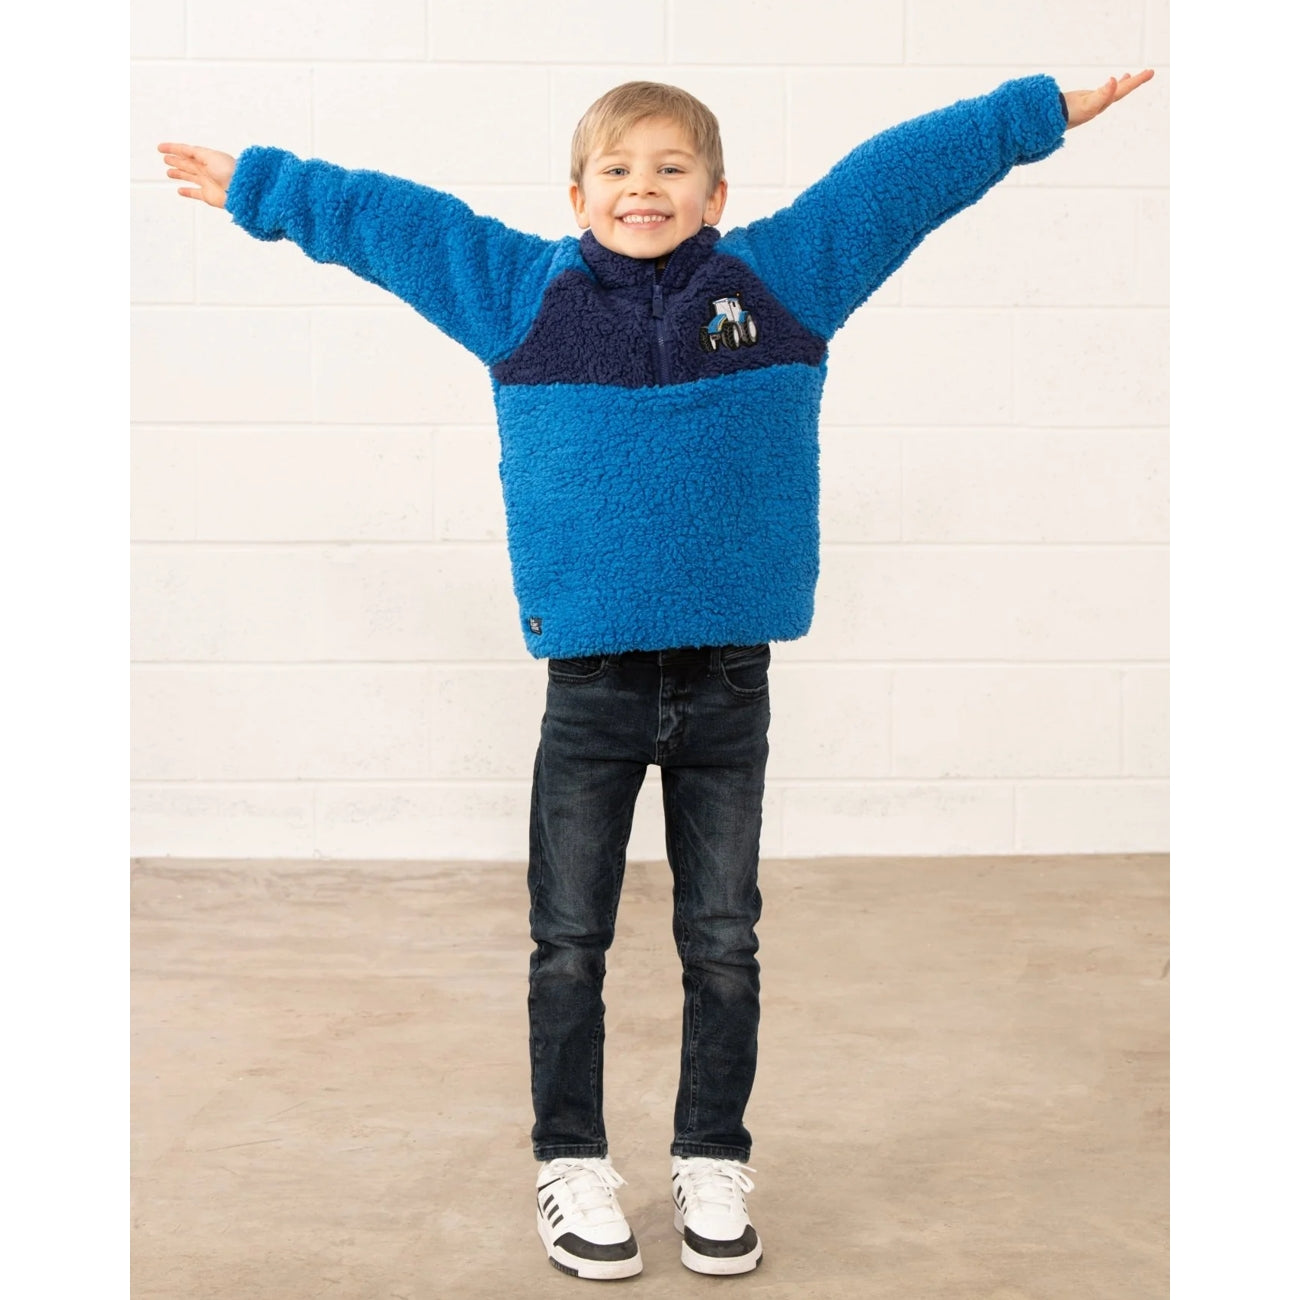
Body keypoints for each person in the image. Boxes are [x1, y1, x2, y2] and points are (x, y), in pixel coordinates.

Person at [158, 64, 1154, 1282]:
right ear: (575, 194)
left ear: (717, 191)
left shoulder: (778, 282)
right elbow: (397, 223)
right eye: (618, 171)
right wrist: (269, 187)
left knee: (721, 937)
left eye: (671, 167)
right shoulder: (523, 293)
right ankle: (568, 1160)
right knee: (568, 938)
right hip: (590, 688)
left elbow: (894, 184)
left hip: (729, 682)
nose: (645, 188)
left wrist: (1032, 115)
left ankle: (711, 1153)